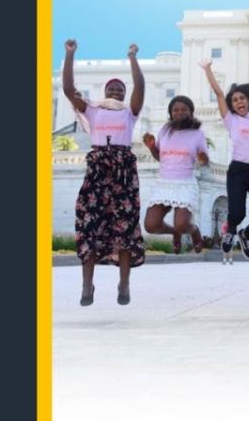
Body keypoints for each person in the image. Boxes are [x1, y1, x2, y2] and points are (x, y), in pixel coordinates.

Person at [62, 39, 146, 306]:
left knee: (125, 226)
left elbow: (140, 87)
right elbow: (67, 89)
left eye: (120, 89)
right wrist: (70, 54)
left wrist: (132, 58)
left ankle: (124, 283)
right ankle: (87, 286)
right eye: (112, 88)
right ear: (104, 91)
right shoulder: (93, 109)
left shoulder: (129, 113)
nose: (116, 91)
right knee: (90, 224)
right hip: (98, 170)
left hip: (123, 170)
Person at [202, 48, 249, 261]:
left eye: (242, 98)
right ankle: (230, 231)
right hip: (238, 171)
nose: (239, 102)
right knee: (238, 213)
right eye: (235, 100)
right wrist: (207, 70)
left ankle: (246, 235)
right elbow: (218, 93)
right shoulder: (231, 120)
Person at [142, 96, 209, 254]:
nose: (180, 112)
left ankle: (194, 232)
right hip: (164, 183)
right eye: (176, 110)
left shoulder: (197, 134)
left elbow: (205, 160)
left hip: (185, 183)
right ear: (170, 113)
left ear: (191, 112)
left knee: (182, 224)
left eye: (184, 109)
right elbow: (160, 157)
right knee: (151, 225)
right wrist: (152, 147)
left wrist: (202, 158)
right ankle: (174, 233)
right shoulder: (164, 130)